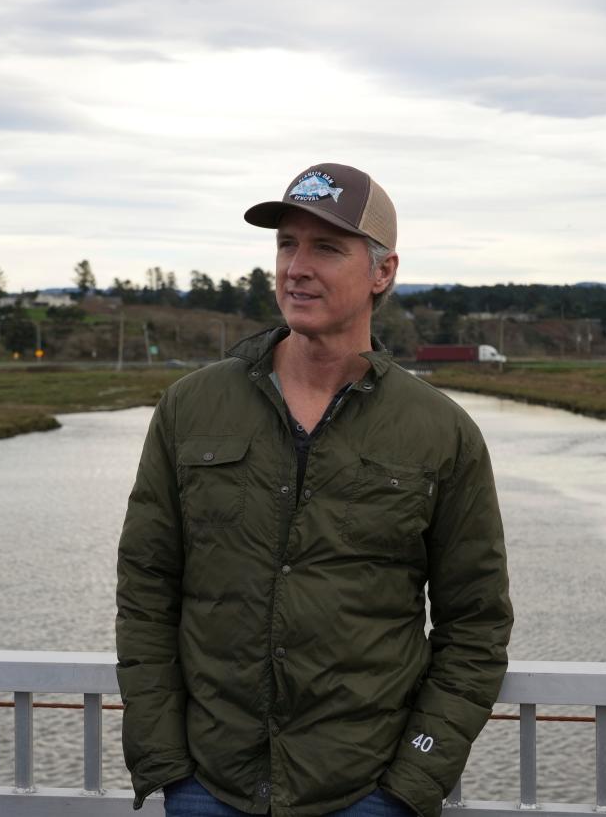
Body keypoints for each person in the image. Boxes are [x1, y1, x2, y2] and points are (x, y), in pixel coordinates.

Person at [116, 163, 513, 817]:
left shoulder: (441, 432)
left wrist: (412, 782)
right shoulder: (190, 409)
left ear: (382, 272)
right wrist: (166, 762)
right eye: (285, 244)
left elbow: (475, 625)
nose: (296, 267)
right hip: (209, 789)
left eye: (326, 247)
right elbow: (146, 589)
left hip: (365, 795)